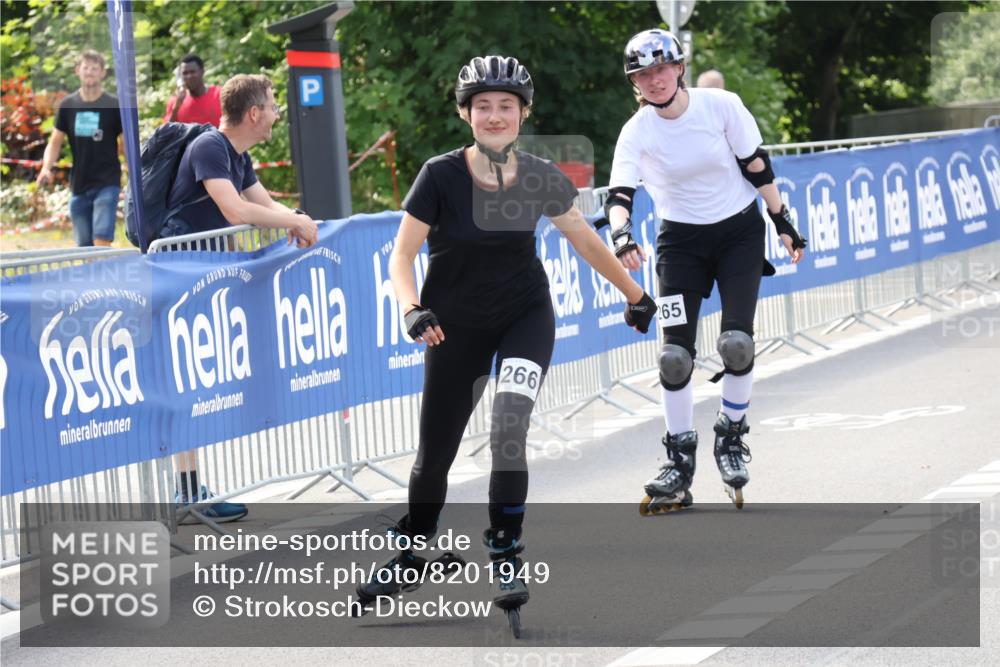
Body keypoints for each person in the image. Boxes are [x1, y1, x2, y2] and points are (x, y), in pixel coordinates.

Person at [356, 55, 657, 614]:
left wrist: (635, 295)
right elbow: (401, 254)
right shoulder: (440, 175)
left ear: (523, 114)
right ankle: (415, 549)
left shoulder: (540, 174)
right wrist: (411, 308)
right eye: (483, 107)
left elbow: (585, 242)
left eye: (507, 107)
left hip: (525, 315)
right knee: (435, 454)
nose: (495, 116)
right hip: (452, 327)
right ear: (466, 114)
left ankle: (505, 544)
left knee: (509, 425)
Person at [604, 30, 806, 513]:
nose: (654, 81)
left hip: (738, 234)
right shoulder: (637, 132)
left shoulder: (721, 106)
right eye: (643, 75)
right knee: (674, 357)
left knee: (736, 344)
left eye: (661, 70)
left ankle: (731, 438)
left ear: (679, 68)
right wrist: (622, 237)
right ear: (635, 82)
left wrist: (782, 222)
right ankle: (679, 459)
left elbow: (757, 165)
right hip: (680, 244)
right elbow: (619, 197)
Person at [163, 73, 319, 523]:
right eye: (272, 106)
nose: (275, 114)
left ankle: (190, 489)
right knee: (186, 386)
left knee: (197, 385)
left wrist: (302, 220)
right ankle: (187, 492)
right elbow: (236, 211)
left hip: (202, 280)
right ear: (254, 113)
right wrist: (292, 222)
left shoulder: (238, 155)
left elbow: (266, 204)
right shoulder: (210, 146)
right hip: (179, 280)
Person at [36, 49, 123, 247]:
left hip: (107, 182)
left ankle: (101, 275)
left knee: (101, 239)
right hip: (79, 184)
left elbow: (126, 144)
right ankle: (92, 277)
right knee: (83, 248)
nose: (90, 72)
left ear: (102, 73)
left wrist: (138, 173)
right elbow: (55, 141)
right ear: (78, 71)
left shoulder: (114, 105)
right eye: (86, 67)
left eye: (95, 68)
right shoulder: (68, 105)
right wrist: (46, 168)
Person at [163, 54, 222, 127]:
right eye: (185, 73)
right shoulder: (175, 101)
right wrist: (176, 107)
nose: (189, 76)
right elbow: (166, 132)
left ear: (202, 71)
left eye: (193, 72)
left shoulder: (219, 94)